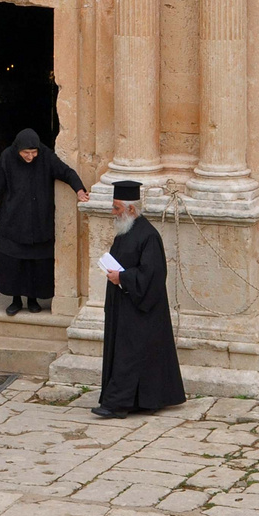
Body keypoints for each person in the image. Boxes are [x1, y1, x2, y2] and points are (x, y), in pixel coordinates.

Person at [95, 179, 186, 418]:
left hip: (140, 310)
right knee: (127, 354)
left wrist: (123, 278)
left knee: (130, 356)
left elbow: (152, 274)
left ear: (131, 209)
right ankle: (135, 401)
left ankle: (117, 404)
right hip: (124, 305)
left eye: (116, 208)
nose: (113, 212)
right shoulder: (125, 231)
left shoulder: (148, 236)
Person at [0, 128, 90, 315]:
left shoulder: (47, 157)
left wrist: (79, 189)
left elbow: (66, 172)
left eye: (34, 153)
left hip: (39, 220)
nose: (30, 157)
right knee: (14, 263)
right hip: (14, 219)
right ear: (18, 149)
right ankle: (16, 300)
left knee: (35, 264)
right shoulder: (7, 157)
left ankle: (33, 300)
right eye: (26, 153)